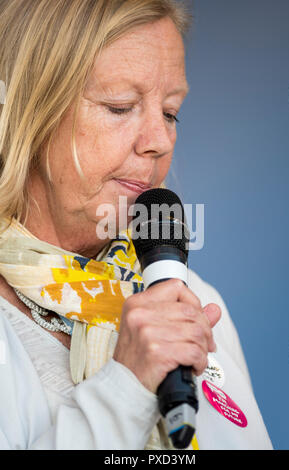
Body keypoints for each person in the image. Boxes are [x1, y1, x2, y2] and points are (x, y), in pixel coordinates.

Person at [0, 0, 272, 450]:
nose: (161, 141)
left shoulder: (195, 302)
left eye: (169, 112)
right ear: (29, 114)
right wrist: (125, 386)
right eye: (120, 106)